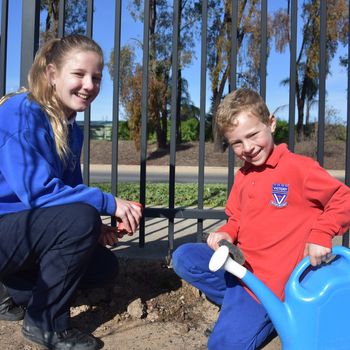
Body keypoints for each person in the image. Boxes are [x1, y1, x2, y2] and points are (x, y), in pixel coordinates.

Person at [172, 88, 350, 350]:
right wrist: (226, 234)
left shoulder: (298, 168)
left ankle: (268, 314)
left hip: (268, 286)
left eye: (253, 135)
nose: (248, 148)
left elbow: (343, 198)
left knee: (223, 346)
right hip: (241, 268)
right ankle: (237, 305)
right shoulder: (244, 176)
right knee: (184, 257)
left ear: (271, 124)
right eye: (237, 143)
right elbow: (236, 219)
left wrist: (322, 233)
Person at [0, 34, 142, 350]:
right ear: (52, 74)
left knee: (103, 267)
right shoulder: (22, 113)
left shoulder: (69, 126)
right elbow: (40, 194)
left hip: (21, 234)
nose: (89, 85)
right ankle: (45, 323)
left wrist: (96, 227)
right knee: (80, 219)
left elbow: (70, 190)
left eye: (96, 77)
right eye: (79, 74)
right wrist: (107, 204)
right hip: (7, 229)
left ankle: (9, 291)